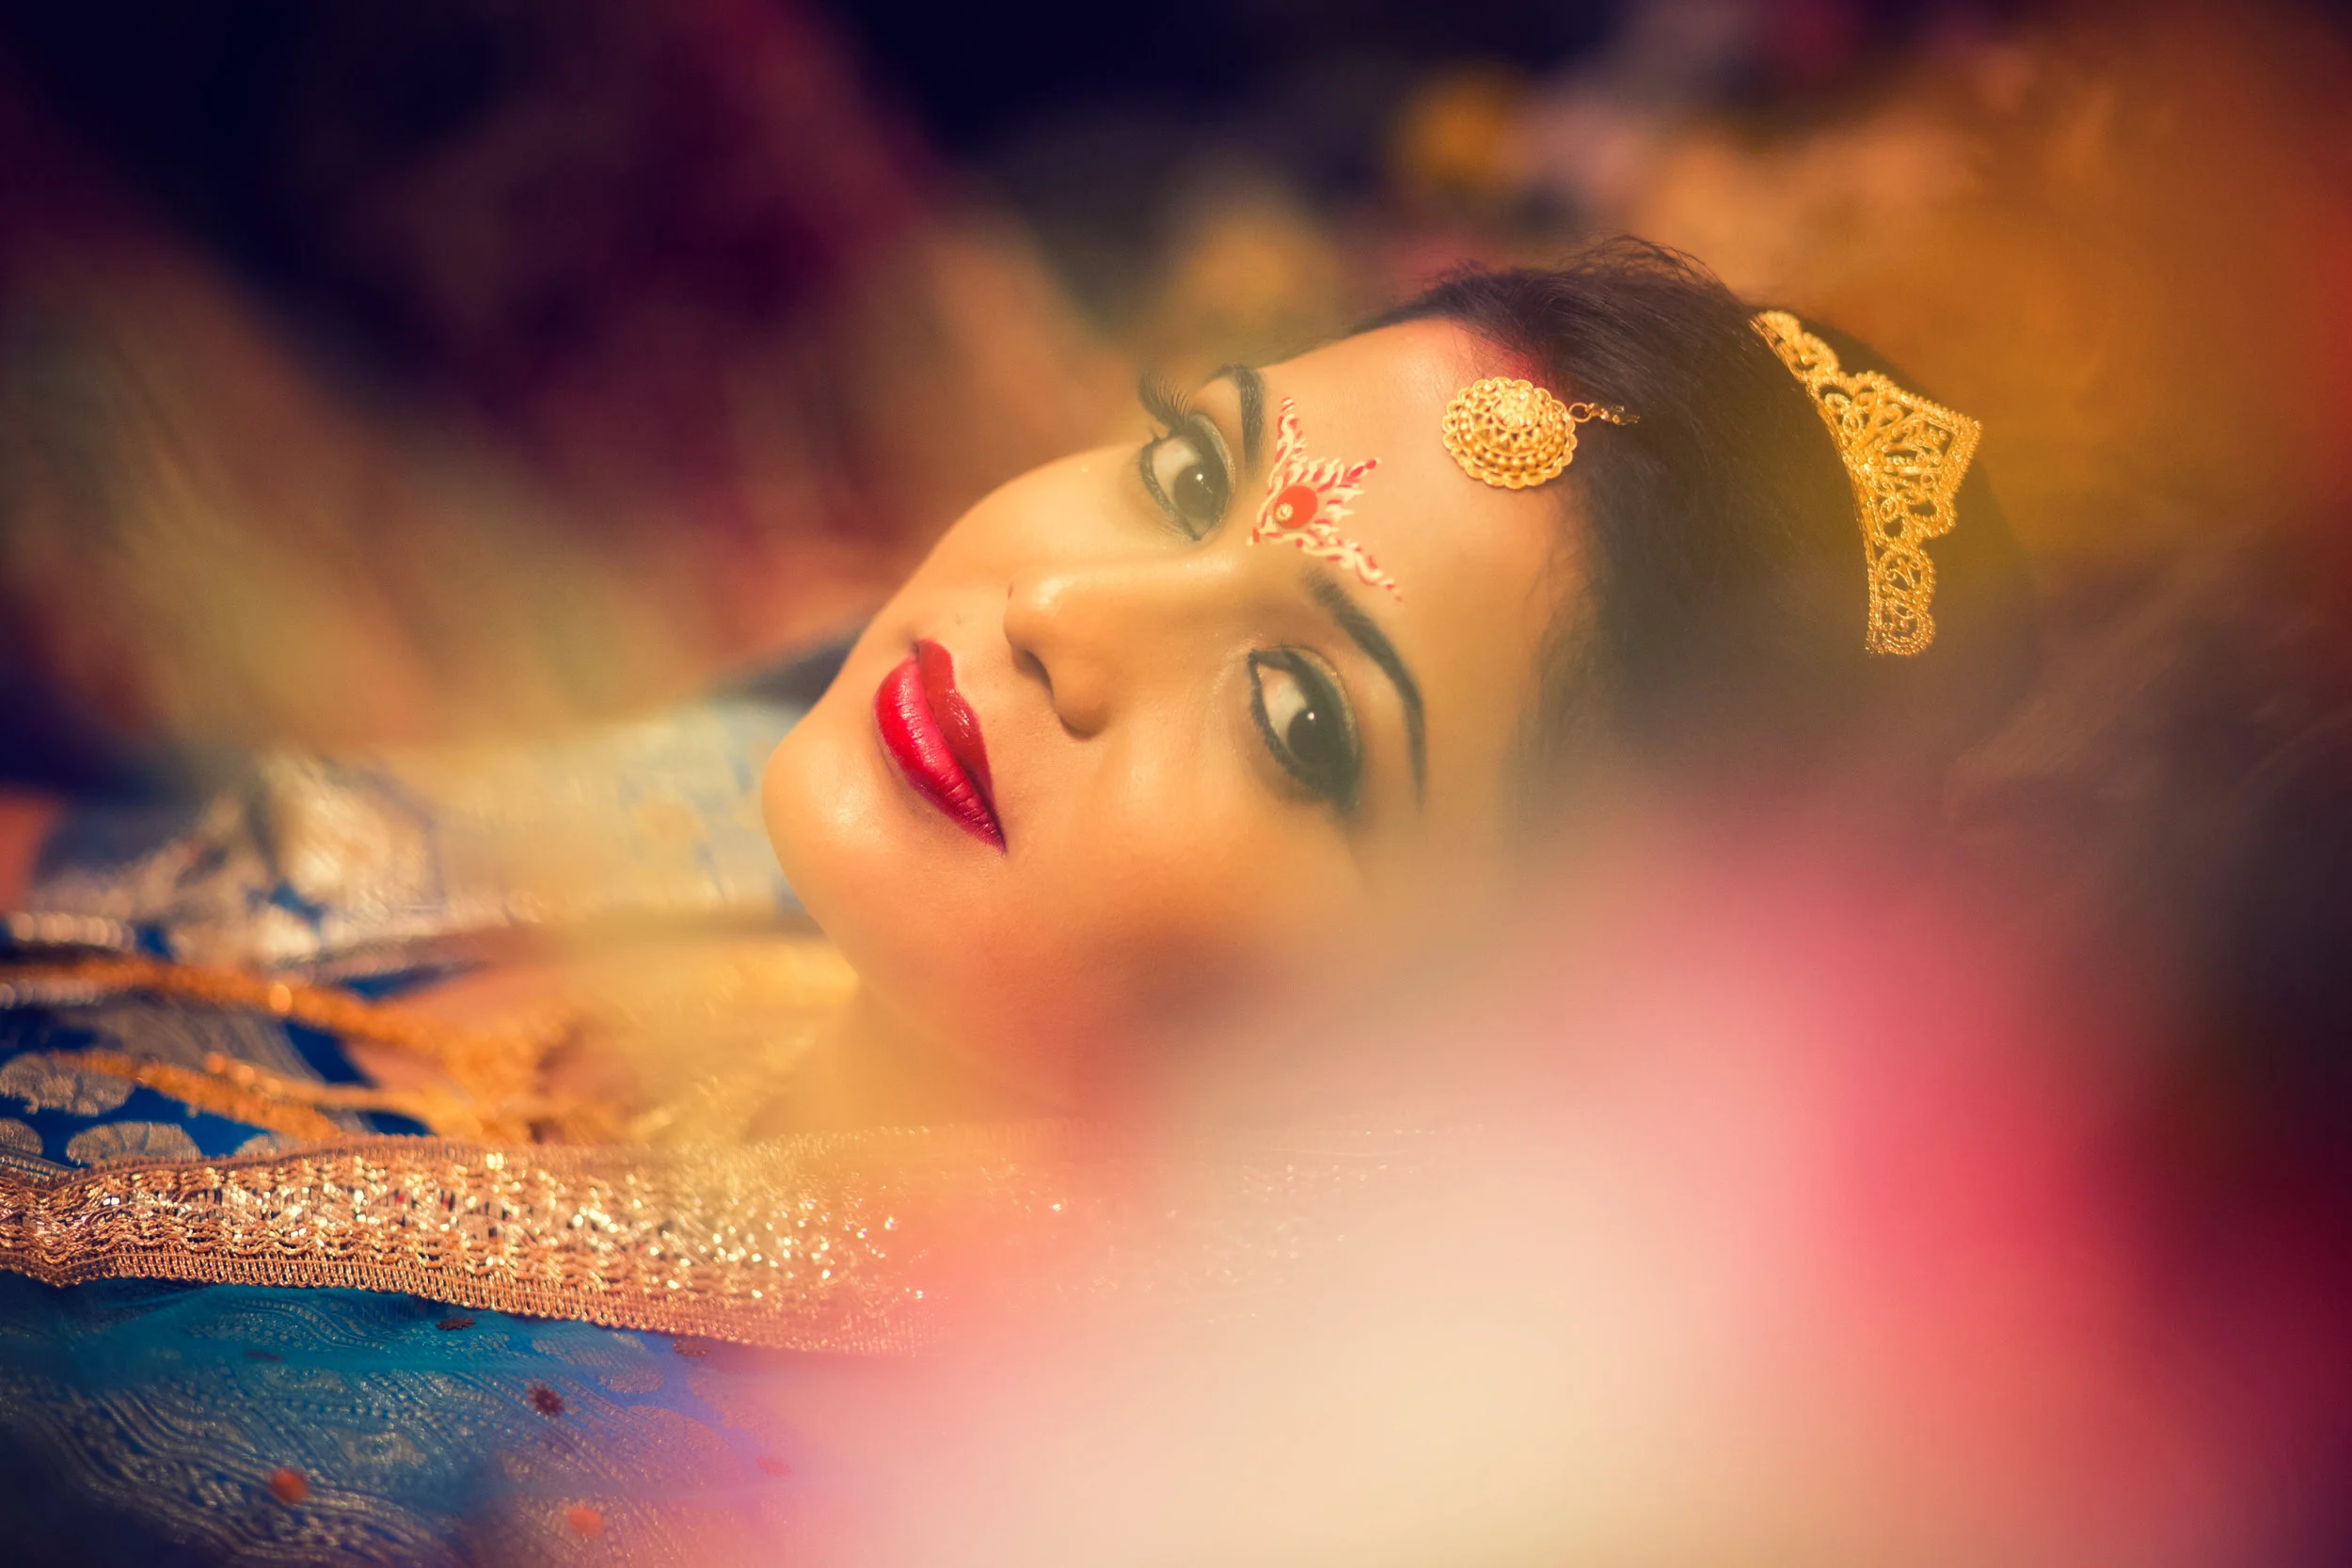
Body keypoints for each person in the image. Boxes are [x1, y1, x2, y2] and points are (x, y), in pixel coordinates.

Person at [0, 240, 2035, 1562]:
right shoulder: (770, 789)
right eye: (1187, 473)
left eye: (1299, 719)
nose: (1059, 604)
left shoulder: (836, 1506)